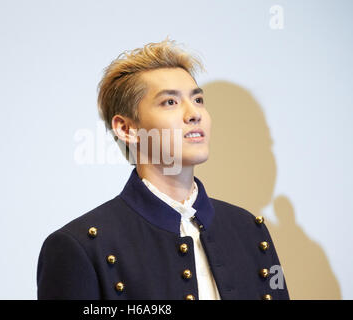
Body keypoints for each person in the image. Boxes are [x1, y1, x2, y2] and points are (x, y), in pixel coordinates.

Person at [36, 39, 290, 300]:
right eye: (170, 102)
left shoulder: (248, 229)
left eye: (199, 99)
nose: (194, 114)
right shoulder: (80, 246)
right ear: (126, 128)